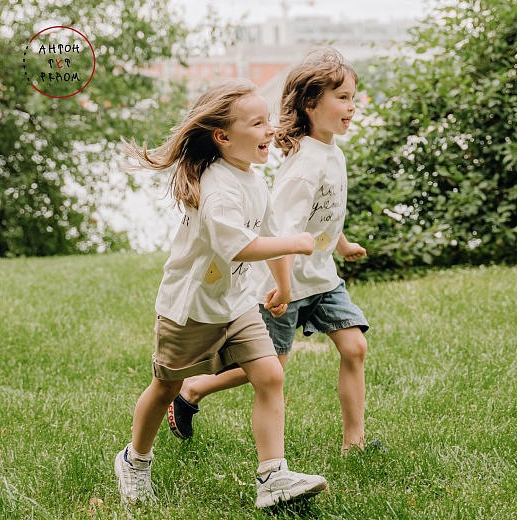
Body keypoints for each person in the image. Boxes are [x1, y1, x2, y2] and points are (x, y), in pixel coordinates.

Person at [114, 78, 328, 510]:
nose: (270, 129)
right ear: (223, 136)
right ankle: (134, 460)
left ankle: (273, 475)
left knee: (269, 375)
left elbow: (269, 233)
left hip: (236, 304)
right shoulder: (216, 187)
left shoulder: (252, 180)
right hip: (190, 310)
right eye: (258, 123)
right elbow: (241, 246)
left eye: (269, 120)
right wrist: (299, 243)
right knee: (165, 386)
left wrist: (283, 285)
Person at [168, 48, 376, 455]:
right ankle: (194, 387)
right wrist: (282, 286)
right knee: (270, 368)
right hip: (284, 286)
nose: (352, 106)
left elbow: (326, 213)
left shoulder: (334, 153)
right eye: (343, 98)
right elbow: (280, 230)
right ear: (310, 104)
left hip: (321, 278)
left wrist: (343, 243)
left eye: (353, 96)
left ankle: (355, 442)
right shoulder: (302, 165)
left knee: (355, 347)